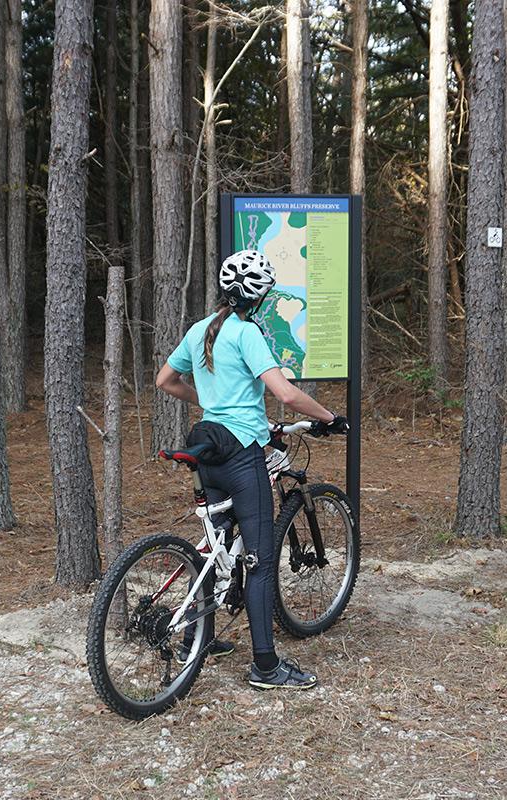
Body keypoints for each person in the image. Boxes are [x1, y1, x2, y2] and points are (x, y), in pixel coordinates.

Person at [156, 249, 347, 690]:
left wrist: (209, 404)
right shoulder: (247, 333)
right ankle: (266, 667)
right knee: (260, 561)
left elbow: (164, 380)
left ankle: (193, 640)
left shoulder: (199, 329)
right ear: (259, 297)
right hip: (242, 453)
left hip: (206, 444)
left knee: (214, 545)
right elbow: (287, 395)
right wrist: (327, 418)